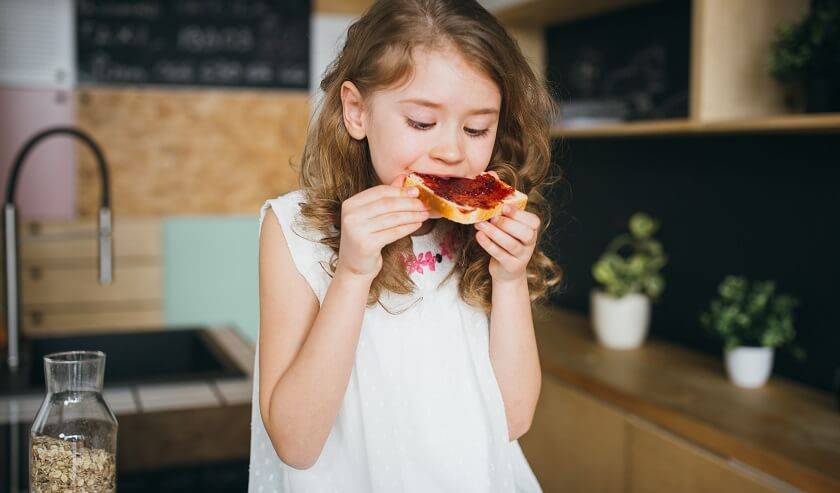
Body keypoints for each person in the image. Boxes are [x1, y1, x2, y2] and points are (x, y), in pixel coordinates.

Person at [250, 0, 562, 491]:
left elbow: (513, 421)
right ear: (356, 111)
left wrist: (508, 278)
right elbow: (295, 442)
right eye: (421, 122)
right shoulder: (294, 230)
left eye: (477, 128)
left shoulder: (480, 233)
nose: (453, 151)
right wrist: (352, 274)